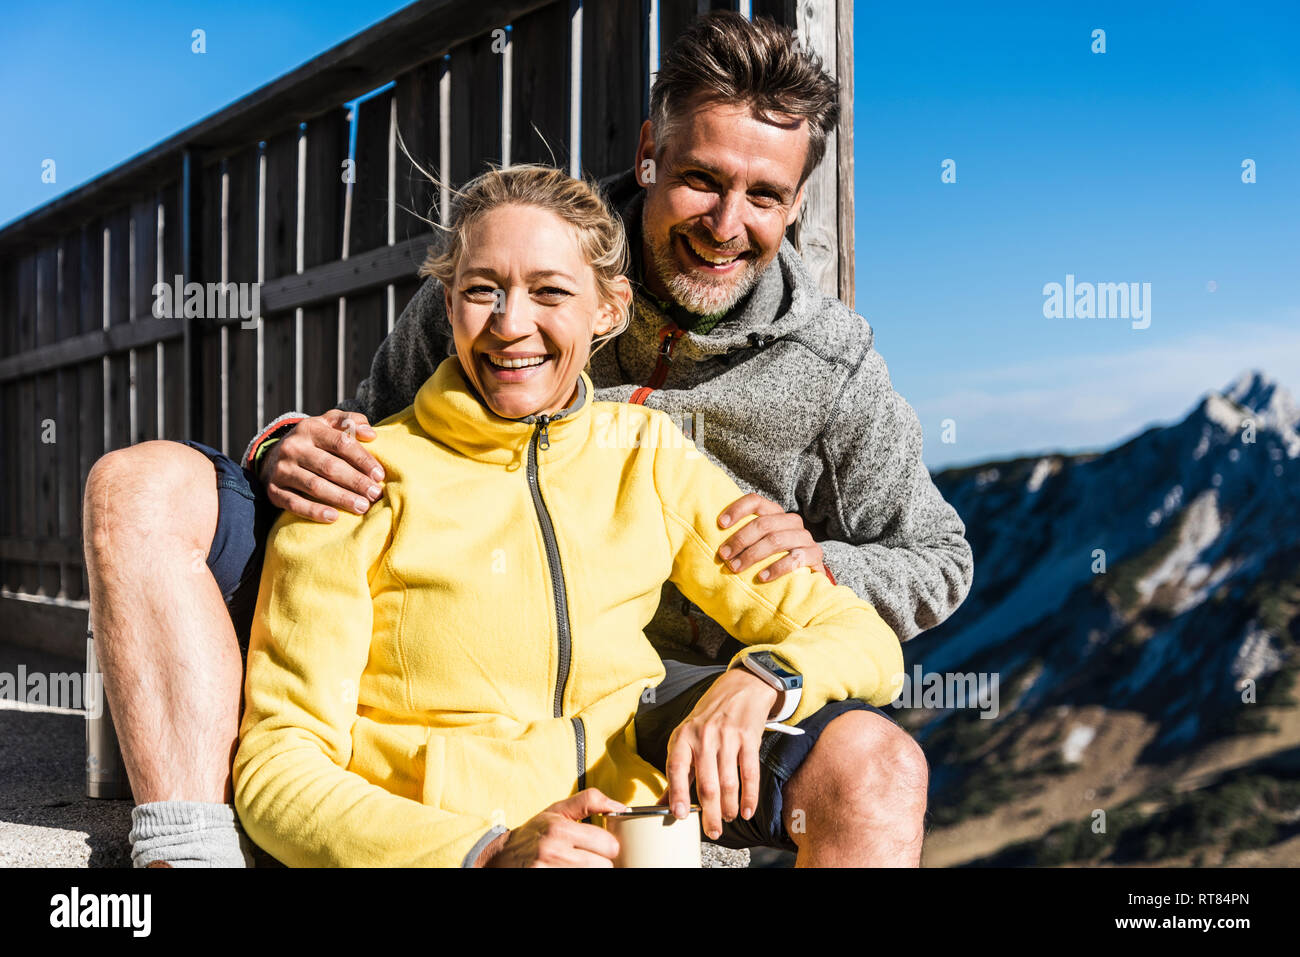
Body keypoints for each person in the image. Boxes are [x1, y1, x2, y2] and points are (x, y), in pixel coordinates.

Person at [83, 11, 969, 867]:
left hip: (659, 690)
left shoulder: (819, 369)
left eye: (764, 194)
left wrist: (796, 589)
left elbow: (935, 558)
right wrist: (286, 448)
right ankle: (185, 846)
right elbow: (390, 437)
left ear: (795, 202)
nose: (727, 222)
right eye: (701, 178)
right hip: (436, 671)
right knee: (140, 485)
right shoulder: (514, 258)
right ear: (648, 157)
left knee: (880, 767)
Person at [234, 163, 906, 867]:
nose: (509, 325)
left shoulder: (645, 456)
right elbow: (277, 770)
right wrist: (483, 852)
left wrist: (770, 673)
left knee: (881, 763)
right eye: (481, 291)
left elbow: (862, 638)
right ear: (449, 303)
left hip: (624, 844)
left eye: (549, 291)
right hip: (453, 853)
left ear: (608, 311)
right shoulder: (357, 476)